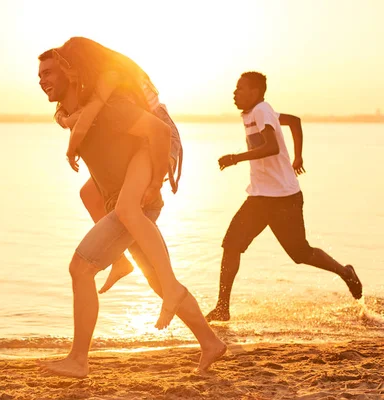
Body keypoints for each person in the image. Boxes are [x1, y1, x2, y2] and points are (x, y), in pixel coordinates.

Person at [36, 44, 226, 378]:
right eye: (39, 75)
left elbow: (159, 131)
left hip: (134, 205)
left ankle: (78, 360)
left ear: (71, 71)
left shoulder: (109, 107)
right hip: (123, 204)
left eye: (49, 72)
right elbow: (75, 124)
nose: (42, 80)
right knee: (157, 280)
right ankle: (210, 343)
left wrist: (153, 184)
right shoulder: (78, 114)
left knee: (80, 268)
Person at [205, 71, 363, 322]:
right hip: (259, 198)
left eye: (240, 88)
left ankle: (345, 272)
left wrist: (235, 158)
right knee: (232, 245)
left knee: (300, 253)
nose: (235, 93)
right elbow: (295, 121)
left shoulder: (261, 111)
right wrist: (297, 156)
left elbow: (271, 147)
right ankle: (223, 308)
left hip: (283, 199)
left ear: (255, 92)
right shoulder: (259, 112)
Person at [51, 37, 185, 330]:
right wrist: (64, 117)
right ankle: (120, 260)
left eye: (66, 65)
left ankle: (172, 288)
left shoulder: (109, 75)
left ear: (82, 61)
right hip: (142, 137)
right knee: (89, 192)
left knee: (127, 208)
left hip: (158, 137)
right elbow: (80, 115)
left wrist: (156, 184)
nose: (65, 72)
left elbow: (89, 116)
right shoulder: (99, 80)